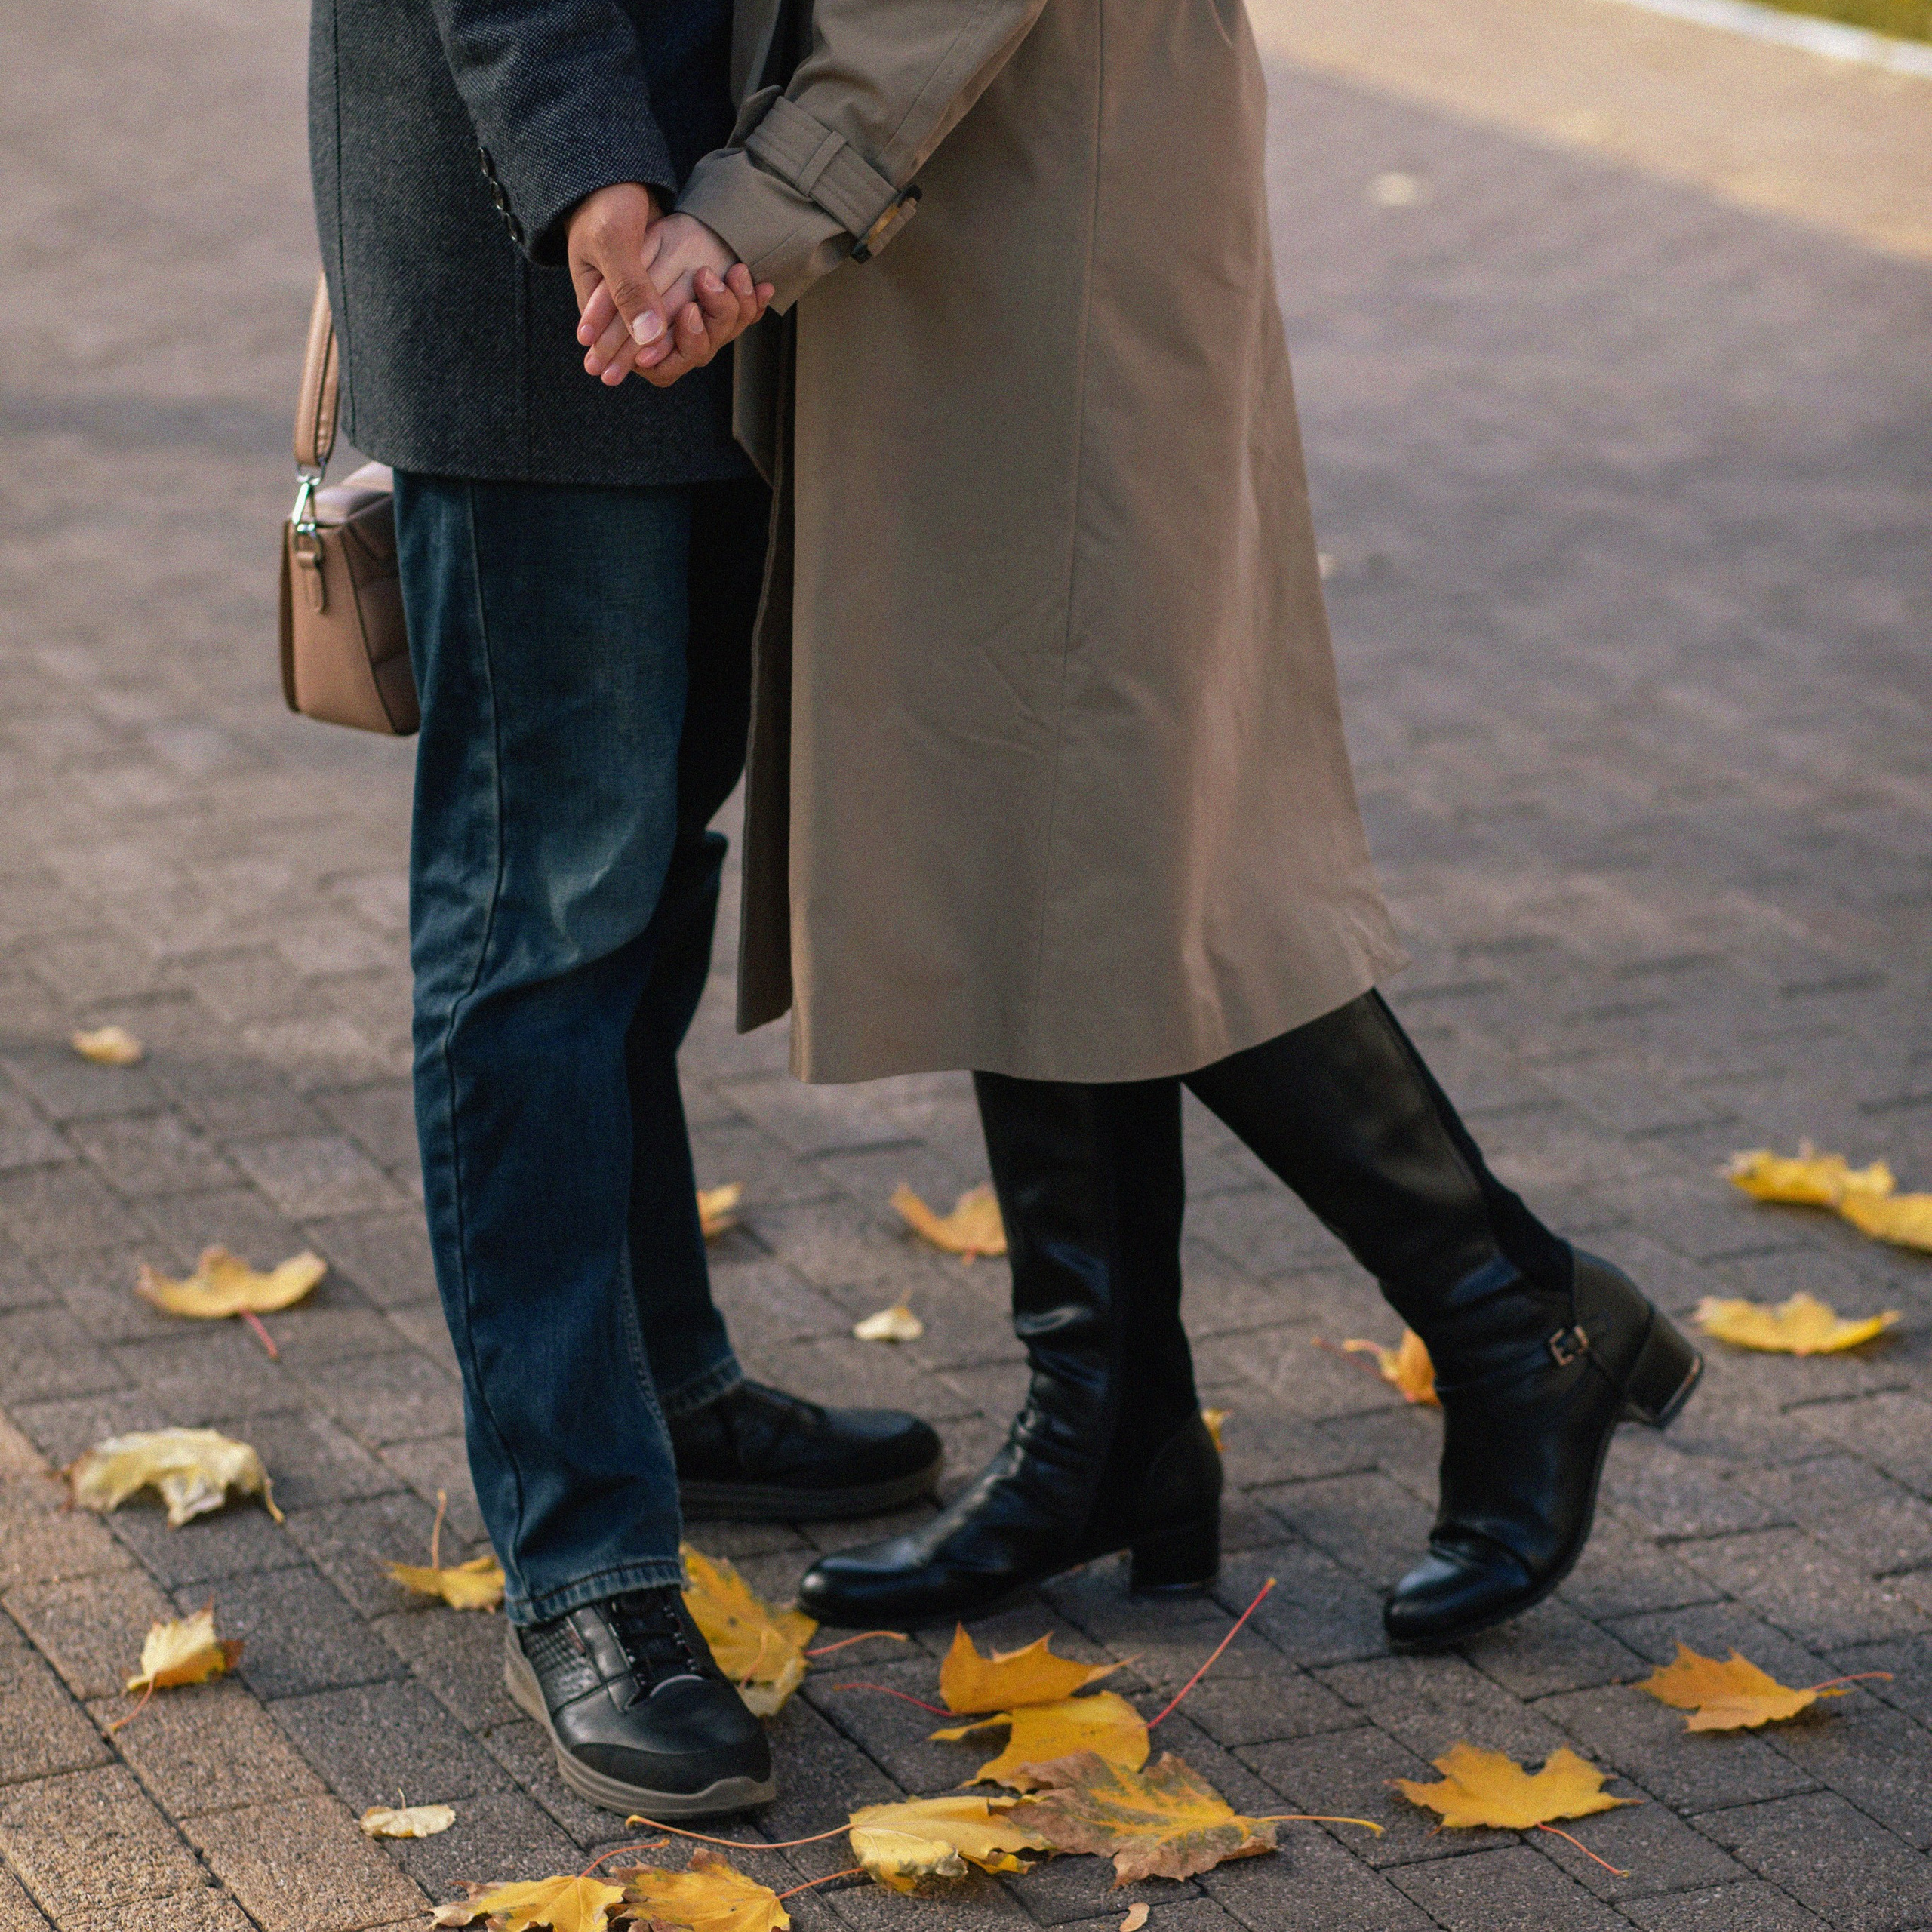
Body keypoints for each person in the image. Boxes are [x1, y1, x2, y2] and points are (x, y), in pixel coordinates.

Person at [579, 0, 1704, 1652]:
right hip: (975, 201)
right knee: (1036, 833)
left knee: (1118, 841)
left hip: (1039, 200)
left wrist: (744, 210)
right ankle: (1111, 1419)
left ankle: (1510, 1312)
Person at [306, 0, 942, 1817]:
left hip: (730, 260)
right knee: (544, 912)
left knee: (652, 876)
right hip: (556, 276)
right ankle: (583, 1557)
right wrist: (593, 171)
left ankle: (660, 1375)